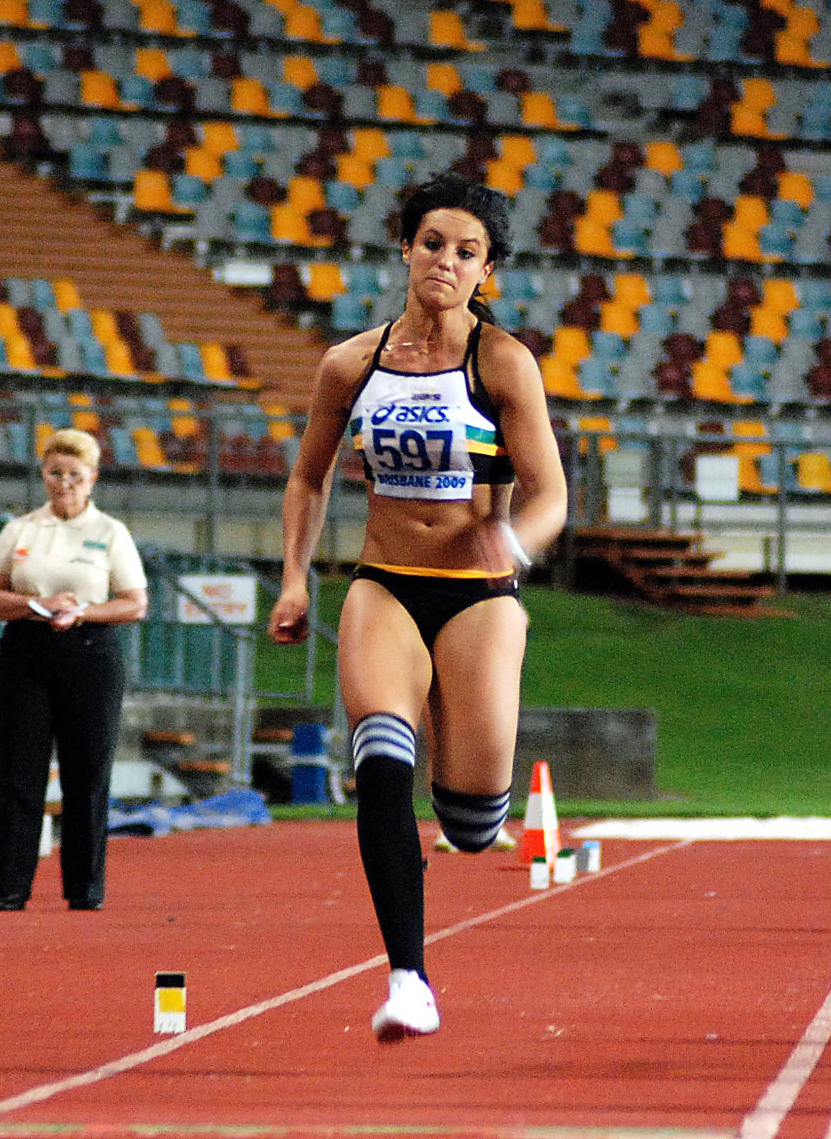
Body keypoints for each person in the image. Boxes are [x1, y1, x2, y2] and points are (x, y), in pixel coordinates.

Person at [268, 172, 568, 1040]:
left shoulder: (502, 362)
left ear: (488, 273)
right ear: (405, 249)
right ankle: (408, 979)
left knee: (473, 823)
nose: (445, 261)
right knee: (381, 763)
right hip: (384, 586)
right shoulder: (351, 364)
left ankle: (468, 797)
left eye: (466, 252)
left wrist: (511, 545)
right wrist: (296, 576)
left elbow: (550, 494)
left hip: (479, 596)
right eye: (432, 243)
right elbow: (307, 475)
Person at [0, 428, 147, 912]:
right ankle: (10, 886)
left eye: (75, 474)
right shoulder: (22, 529)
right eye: (55, 473)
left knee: (88, 771)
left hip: (91, 653)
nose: (64, 483)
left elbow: (134, 605)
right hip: (26, 653)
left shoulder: (110, 532)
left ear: (92, 479)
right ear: (43, 476)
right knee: (19, 770)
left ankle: (84, 887)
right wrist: (37, 604)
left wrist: (82, 612)